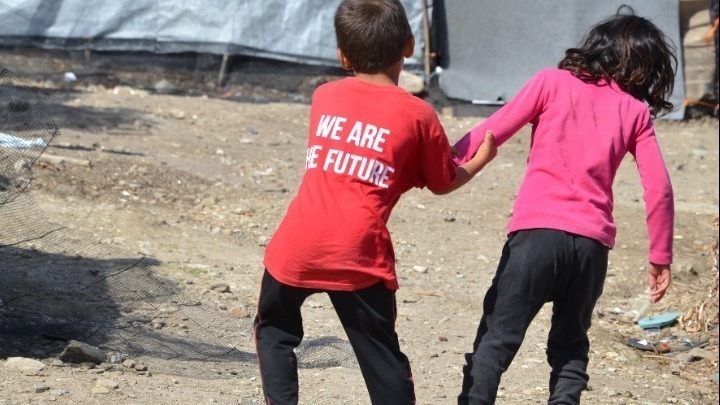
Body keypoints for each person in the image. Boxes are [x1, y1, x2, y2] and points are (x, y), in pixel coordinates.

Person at [253, 1, 497, 404]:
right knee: (381, 358)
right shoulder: (419, 115)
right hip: (358, 251)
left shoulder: (324, 96)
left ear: (342, 56)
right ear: (409, 46)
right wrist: (479, 162)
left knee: (274, 331)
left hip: (295, 245)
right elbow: (442, 181)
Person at [452, 6, 676, 404]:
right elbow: (659, 189)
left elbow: (491, 132)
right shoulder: (635, 112)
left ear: (596, 47)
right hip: (591, 248)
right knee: (571, 346)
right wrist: (660, 257)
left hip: (535, 238)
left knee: (497, 339)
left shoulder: (550, 82)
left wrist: (445, 162)